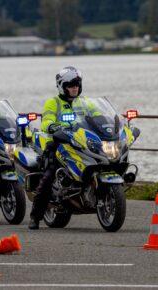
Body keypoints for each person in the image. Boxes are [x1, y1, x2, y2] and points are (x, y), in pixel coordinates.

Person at [29, 66, 96, 230]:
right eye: (71, 85)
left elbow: (97, 116)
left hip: (81, 143)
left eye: (77, 84)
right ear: (62, 86)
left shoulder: (84, 102)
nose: (75, 88)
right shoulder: (54, 102)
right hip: (60, 145)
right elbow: (46, 120)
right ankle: (35, 217)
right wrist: (52, 126)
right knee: (49, 177)